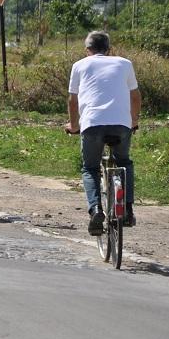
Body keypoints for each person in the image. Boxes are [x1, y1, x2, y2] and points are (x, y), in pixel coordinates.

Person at [64, 30, 140, 232]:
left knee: (90, 168)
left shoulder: (79, 65)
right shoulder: (125, 63)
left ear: (87, 49)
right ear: (109, 49)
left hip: (92, 124)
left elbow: (73, 100)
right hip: (121, 124)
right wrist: (133, 121)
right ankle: (129, 209)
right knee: (124, 162)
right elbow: (135, 96)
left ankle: (96, 209)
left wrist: (73, 125)